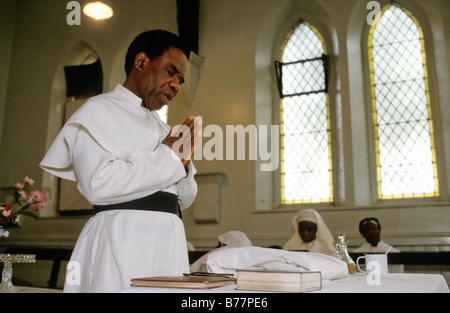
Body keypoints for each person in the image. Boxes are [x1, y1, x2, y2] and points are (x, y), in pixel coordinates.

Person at [40, 30, 202, 292]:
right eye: (171, 72)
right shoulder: (97, 111)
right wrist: (168, 157)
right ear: (141, 62)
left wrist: (182, 165)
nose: (176, 85)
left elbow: (184, 198)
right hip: (120, 238)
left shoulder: (163, 129)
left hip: (168, 241)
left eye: (181, 79)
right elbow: (97, 184)